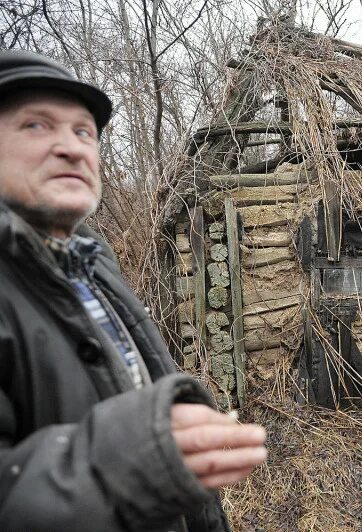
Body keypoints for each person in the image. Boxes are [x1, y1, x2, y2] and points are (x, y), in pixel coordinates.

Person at [0, 50, 267, 531]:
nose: (72, 147)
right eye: (36, 126)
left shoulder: (93, 262)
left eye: (84, 132)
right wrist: (125, 461)